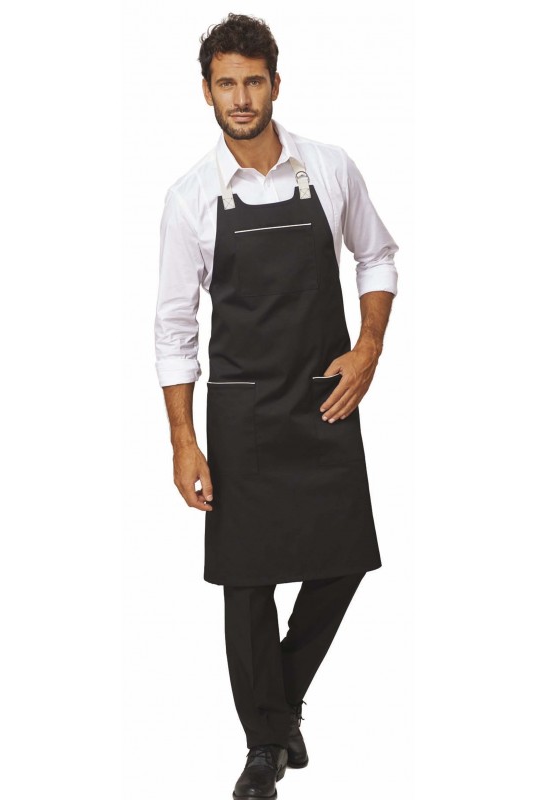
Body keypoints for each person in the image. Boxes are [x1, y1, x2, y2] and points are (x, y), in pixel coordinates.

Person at [153, 13, 399, 799]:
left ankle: (278, 701)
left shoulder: (329, 168)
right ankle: (266, 747)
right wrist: (183, 440)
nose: (241, 98)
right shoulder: (190, 198)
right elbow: (174, 328)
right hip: (242, 413)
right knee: (247, 582)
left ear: (276, 84)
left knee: (344, 559)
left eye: (253, 82)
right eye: (226, 83)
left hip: (324, 397)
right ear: (206, 92)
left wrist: (368, 347)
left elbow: (377, 256)